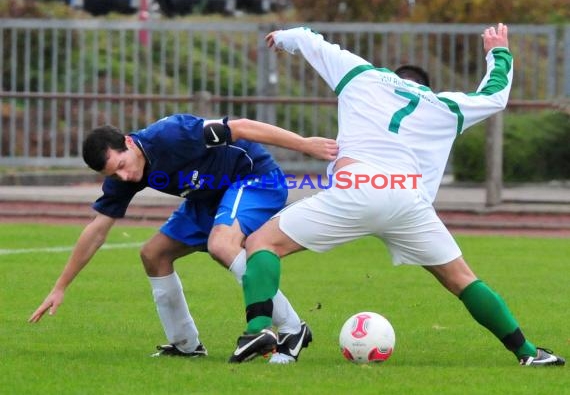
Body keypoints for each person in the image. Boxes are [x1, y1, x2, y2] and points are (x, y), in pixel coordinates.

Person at [228, 24, 566, 367]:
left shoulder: (362, 74)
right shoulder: (445, 106)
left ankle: (257, 329)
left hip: (358, 188)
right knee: (462, 279)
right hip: (409, 201)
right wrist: (499, 51)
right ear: (425, 87)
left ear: (392, 75)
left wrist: (283, 38)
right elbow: (495, 96)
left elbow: (309, 39)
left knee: (262, 243)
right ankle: (527, 353)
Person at [29, 114, 338, 362]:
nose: (123, 177)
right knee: (153, 255)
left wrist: (305, 145)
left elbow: (241, 128)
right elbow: (97, 229)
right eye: (113, 175)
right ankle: (186, 345)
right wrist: (60, 286)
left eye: (121, 166)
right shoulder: (124, 174)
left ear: (128, 142)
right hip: (206, 199)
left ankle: (291, 329)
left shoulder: (172, 134)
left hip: (254, 177)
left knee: (221, 244)